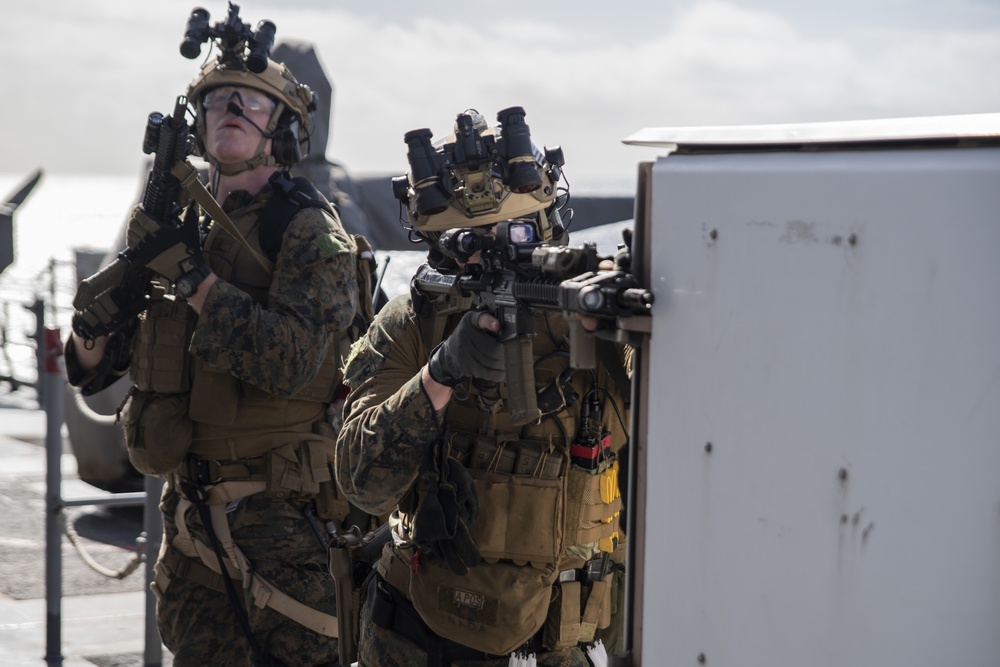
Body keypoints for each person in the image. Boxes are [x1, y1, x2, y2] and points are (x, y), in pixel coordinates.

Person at [66, 9, 364, 666]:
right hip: (191, 524)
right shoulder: (182, 224)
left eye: (249, 99)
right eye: (216, 99)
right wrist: (93, 324)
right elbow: (93, 368)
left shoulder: (309, 231)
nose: (231, 107)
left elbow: (293, 360)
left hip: (284, 529)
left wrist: (194, 279)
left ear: (279, 126)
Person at [335, 109, 632, 666]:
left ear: (545, 228)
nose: (492, 256)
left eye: (511, 234)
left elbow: (697, 435)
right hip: (414, 638)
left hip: (560, 639)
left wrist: (620, 336)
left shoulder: (600, 325)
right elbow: (361, 483)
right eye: (470, 242)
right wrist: (438, 377)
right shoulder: (412, 325)